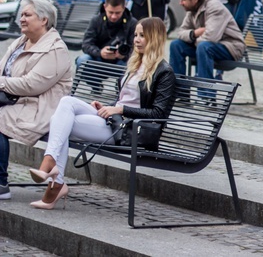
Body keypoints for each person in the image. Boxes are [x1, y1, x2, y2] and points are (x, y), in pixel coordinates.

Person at [27, 17, 176, 210]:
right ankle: (53, 174)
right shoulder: (135, 65)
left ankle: (53, 176)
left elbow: (158, 113)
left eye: (143, 36)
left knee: (60, 121)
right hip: (115, 120)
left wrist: (120, 109)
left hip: (128, 130)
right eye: (136, 35)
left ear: (155, 38)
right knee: (67, 103)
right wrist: (108, 106)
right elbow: (125, 100)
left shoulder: (164, 72)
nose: (137, 40)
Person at [0, 0, 73, 200]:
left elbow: (32, 85)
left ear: (44, 20)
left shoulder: (55, 49)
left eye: (27, 15)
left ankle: (1, 183)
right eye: (21, 15)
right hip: (15, 100)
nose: (22, 19)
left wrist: (1, 83)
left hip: (40, 107)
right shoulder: (20, 41)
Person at [169, 0, 244, 100]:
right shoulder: (193, 9)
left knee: (204, 46)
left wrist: (193, 38)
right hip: (206, 46)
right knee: (176, 45)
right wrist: (195, 33)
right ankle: (180, 94)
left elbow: (211, 37)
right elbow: (181, 33)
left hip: (230, 47)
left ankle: (206, 96)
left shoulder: (214, 7)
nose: (181, 3)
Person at [76, 0, 137, 68]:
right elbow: (86, 44)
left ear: (124, 8)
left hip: (121, 61)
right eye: (110, 12)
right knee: (82, 60)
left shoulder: (132, 23)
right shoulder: (96, 20)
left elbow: (136, 49)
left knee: (132, 66)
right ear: (105, 7)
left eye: (118, 13)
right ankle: (94, 79)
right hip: (99, 57)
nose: (114, 16)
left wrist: (124, 54)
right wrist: (100, 52)